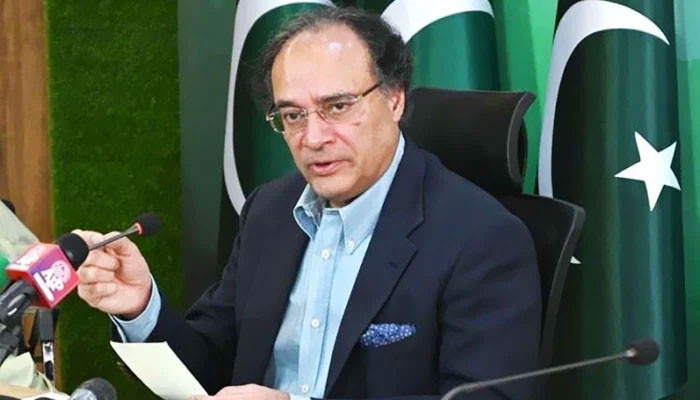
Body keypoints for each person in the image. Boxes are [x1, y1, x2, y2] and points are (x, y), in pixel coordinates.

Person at [74, 7, 541, 400]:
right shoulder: (269, 212)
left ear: (395, 99)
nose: (313, 138)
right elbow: (210, 365)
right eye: (293, 115)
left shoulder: (482, 238)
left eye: (338, 107)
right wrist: (141, 307)